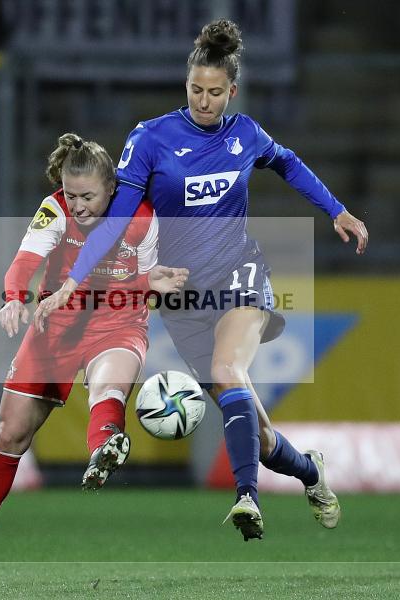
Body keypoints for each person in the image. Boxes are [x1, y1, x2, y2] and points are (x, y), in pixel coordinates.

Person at [34, 19, 369, 542]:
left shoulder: (246, 134)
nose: (204, 101)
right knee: (257, 436)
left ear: (231, 91)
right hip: (183, 296)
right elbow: (118, 217)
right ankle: (310, 471)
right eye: (196, 90)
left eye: (215, 92)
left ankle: (246, 499)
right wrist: (74, 279)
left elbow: (288, 164)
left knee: (226, 367)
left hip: (239, 274)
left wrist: (337, 210)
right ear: (185, 85)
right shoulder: (150, 139)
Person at [0, 133, 187, 587]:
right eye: (72, 194)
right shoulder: (55, 209)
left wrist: (153, 282)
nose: (79, 205)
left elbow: (142, 287)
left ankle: (104, 445)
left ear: (113, 188)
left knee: (108, 386)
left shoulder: (143, 218)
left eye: (88, 196)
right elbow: (23, 262)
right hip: (56, 324)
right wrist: (13, 297)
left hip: (117, 322)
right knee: (11, 435)